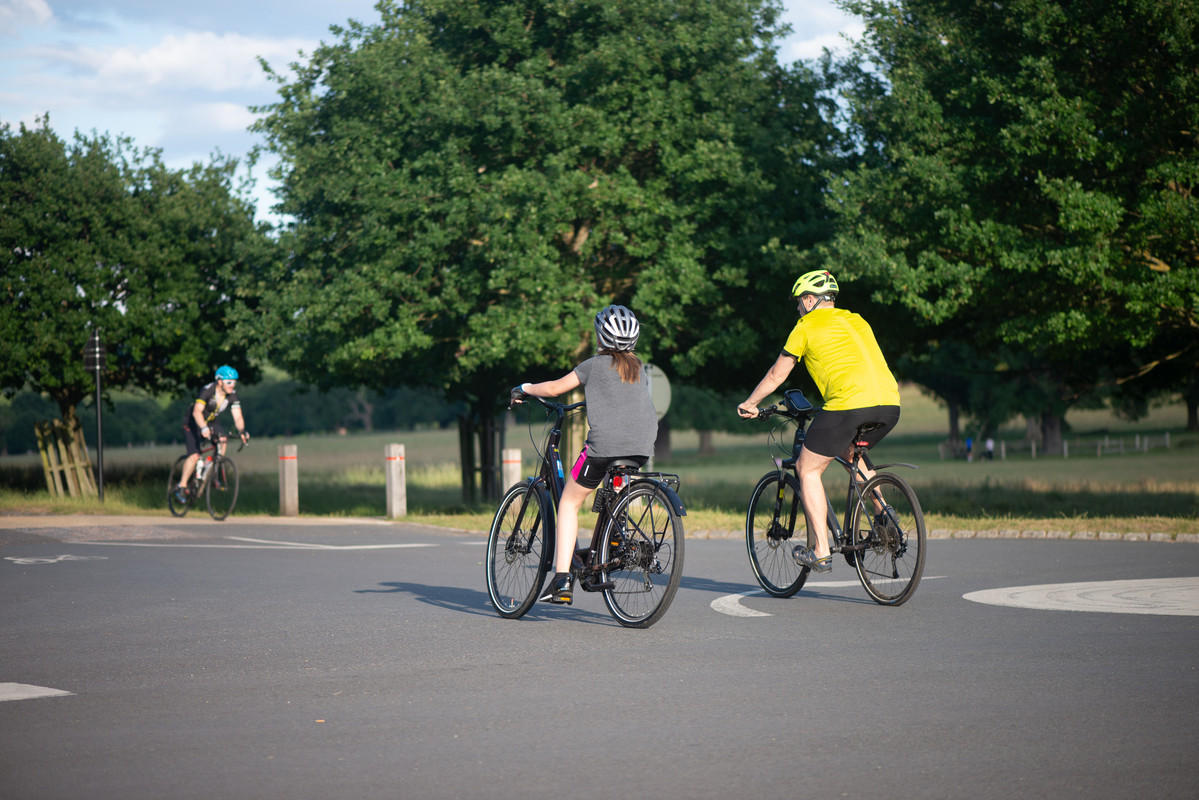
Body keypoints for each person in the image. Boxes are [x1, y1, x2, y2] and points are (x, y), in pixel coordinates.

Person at [737, 270, 900, 573]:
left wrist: (750, 403)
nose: (798, 308)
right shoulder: (858, 319)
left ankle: (821, 550)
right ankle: (885, 518)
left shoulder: (806, 325)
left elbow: (777, 374)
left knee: (806, 468)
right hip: (890, 405)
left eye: (800, 301)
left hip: (849, 405)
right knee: (850, 451)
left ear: (811, 299)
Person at [511, 305, 658, 605]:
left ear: (600, 336)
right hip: (642, 447)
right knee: (614, 488)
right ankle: (613, 542)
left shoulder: (593, 365)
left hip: (604, 447)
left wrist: (524, 388)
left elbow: (553, 388)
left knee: (568, 502)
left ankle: (562, 580)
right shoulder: (639, 367)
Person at [174, 365, 250, 502]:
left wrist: (242, 431)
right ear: (220, 381)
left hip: (211, 421)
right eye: (229, 382)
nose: (232, 385)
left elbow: (238, 417)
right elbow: (197, 412)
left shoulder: (232, 395)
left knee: (223, 440)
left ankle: (213, 471)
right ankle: (181, 486)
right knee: (195, 456)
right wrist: (203, 428)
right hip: (192, 422)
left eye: (234, 382)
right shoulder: (208, 391)